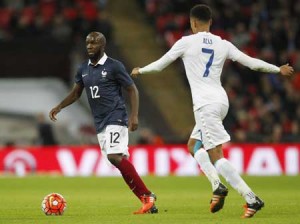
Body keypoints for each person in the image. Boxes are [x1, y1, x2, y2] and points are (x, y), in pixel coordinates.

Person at [131, 4, 294, 218]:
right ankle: (217, 185)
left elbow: (161, 65)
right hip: (221, 101)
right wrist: (277, 69)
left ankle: (251, 198)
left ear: (193, 22)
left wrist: (140, 70)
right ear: (211, 22)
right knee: (193, 146)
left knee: (217, 155)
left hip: (205, 104)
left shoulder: (186, 42)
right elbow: (251, 62)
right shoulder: (222, 43)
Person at [49, 31, 158, 215]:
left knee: (114, 156)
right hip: (100, 122)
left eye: (95, 42)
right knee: (117, 160)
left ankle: (147, 196)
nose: (90, 45)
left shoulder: (114, 66)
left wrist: (134, 116)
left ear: (103, 45)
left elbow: (132, 89)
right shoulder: (83, 68)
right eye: (88, 43)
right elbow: (76, 93)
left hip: (116, 116)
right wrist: (59, 106)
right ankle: (147, 201)